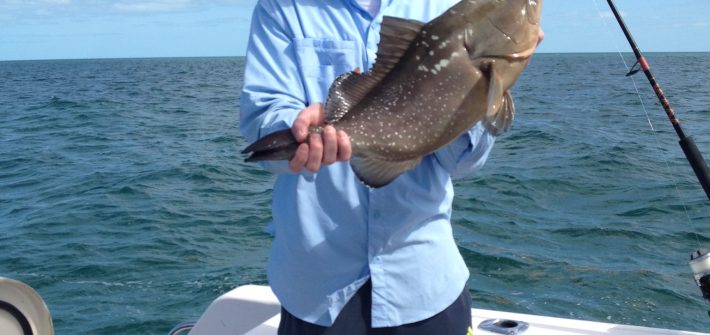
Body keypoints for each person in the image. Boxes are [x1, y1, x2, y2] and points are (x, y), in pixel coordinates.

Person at [240, 0, 542, 334]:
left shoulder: (444, 6)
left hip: (423, 282)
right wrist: (300, 129)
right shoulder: (282, 7)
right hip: (314, 289)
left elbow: (464, 162)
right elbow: (262, 120)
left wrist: (484, 90)